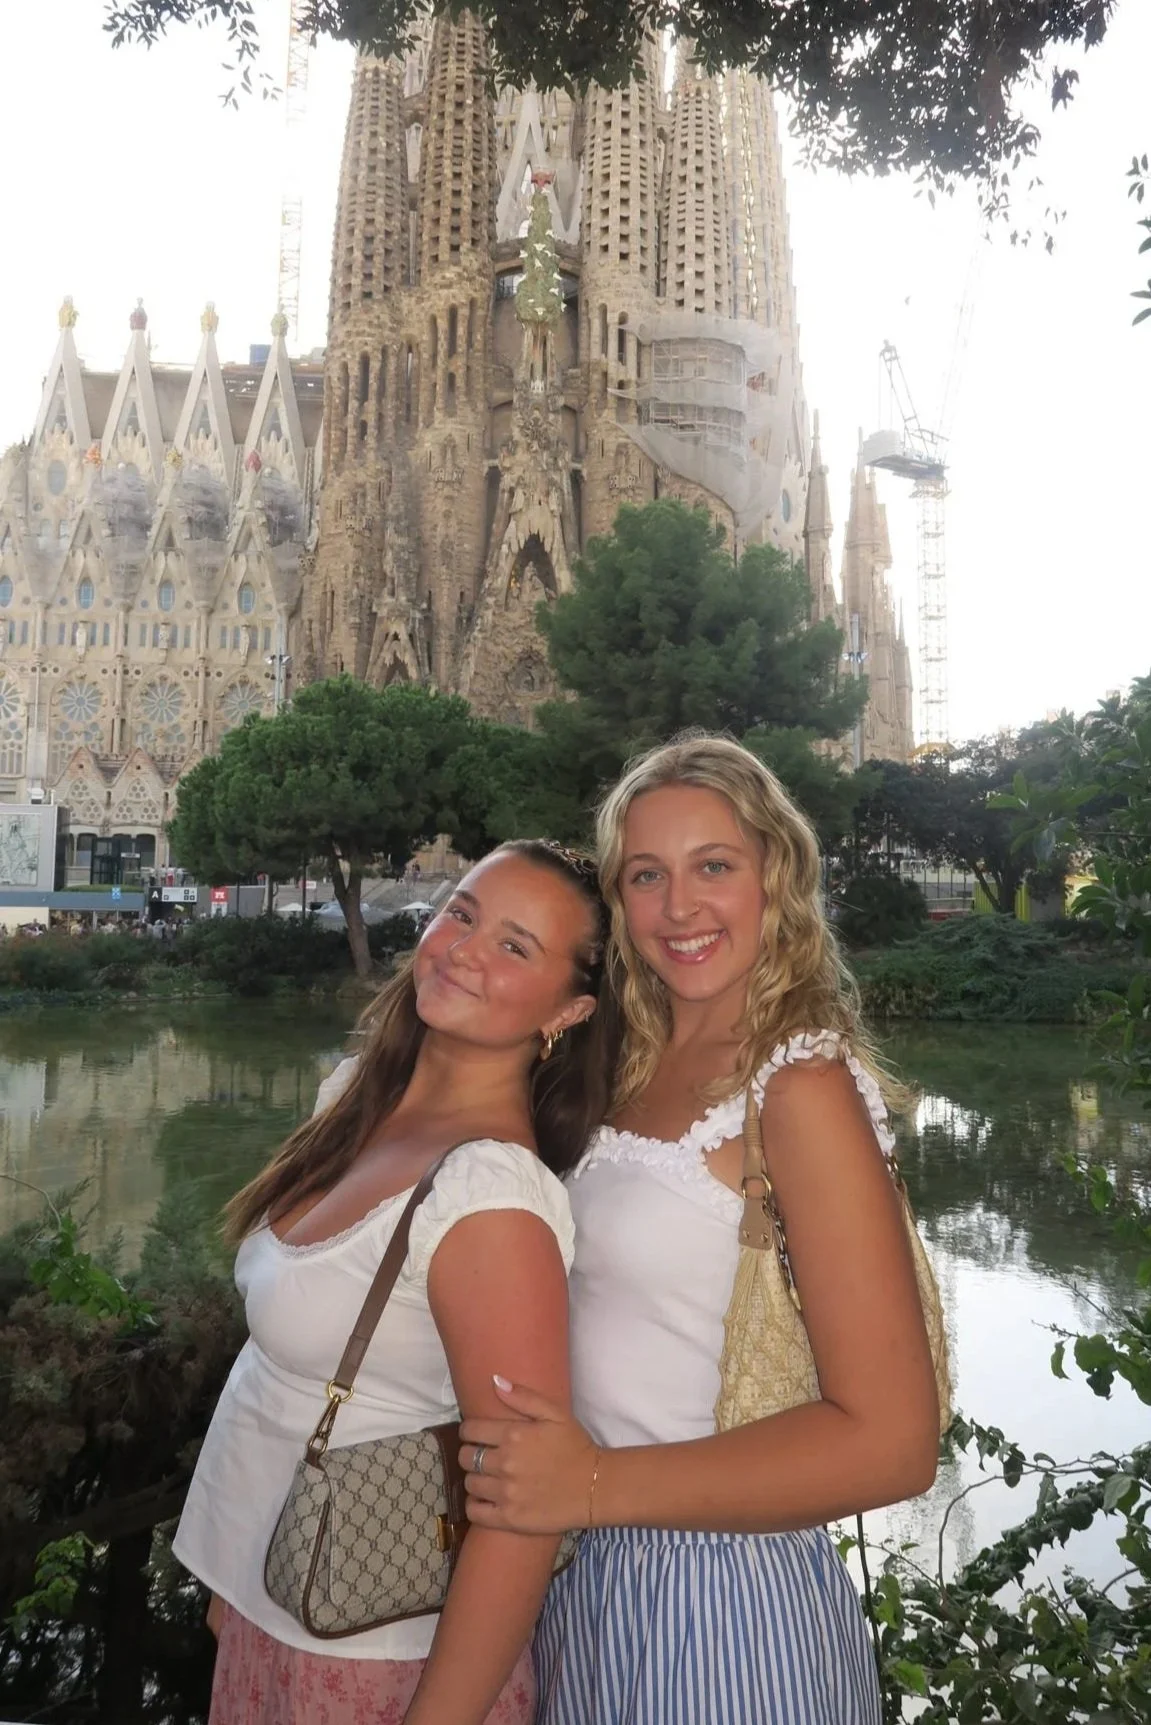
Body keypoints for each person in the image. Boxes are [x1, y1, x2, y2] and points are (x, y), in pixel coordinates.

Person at [460, 736, 941, 1725]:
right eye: (646, 875)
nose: (677, 908)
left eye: (711, 867)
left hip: (725, 1605)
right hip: (590, 1579)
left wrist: (591, 1481)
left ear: (774, 874)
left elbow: (894, 1445)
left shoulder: (796, 1087)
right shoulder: (623, 1063)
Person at [172, 840, 618, 1725]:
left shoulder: (488, 1198)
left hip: (380, 1667)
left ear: (567, 1009)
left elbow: (519, 1508)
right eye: (462, 911)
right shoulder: (355, 1104)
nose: (462, 948)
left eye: (515, 945)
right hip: (273, 1611)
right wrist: (230, 1582)